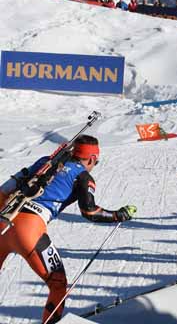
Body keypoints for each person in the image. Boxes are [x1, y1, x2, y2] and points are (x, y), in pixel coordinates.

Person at [0, 135, 136, 324]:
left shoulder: (46, 161)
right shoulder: (83, 176)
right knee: (58, 285)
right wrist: (118, 215)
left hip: (3, 220)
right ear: (92, 159)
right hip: (29, 231)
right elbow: (89, 211)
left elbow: (6, 188)